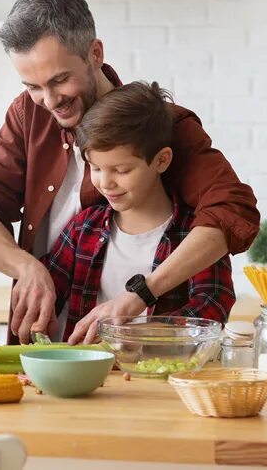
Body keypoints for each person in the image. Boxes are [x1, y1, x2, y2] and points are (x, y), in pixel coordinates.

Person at [0, 0, 259, 344]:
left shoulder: (160, 125)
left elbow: (232, 210)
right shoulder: (28, 114)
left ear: (95, 53)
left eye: (59, 80)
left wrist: (140, 297)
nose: (49, 101)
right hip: (53, 347)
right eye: (32, 86)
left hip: (146, 356)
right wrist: (27, 268)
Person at [43, 81, 236, 344]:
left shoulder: (195, 235)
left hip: (161, 376)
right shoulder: (83, 228)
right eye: (95, 168)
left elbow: (213, 306)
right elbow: (48, 293)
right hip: (86, 377)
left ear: (161, 160)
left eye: (121, 171)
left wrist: (136, 335)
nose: (105, 183)